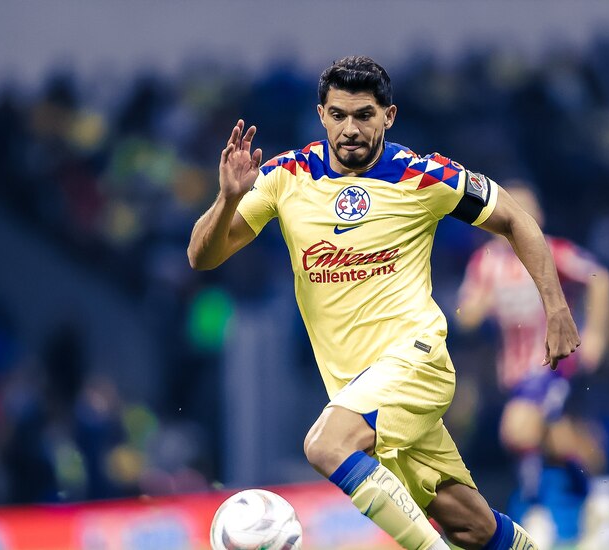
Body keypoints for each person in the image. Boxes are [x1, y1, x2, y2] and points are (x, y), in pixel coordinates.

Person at [188, 56, 580, 550]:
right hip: (359, 394)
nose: (350, 128)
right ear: (321, 114)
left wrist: (557, 308)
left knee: (325, 444)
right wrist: (226, 199)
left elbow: (516, 218)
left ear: (388, 116)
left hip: (416, 362)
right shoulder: (286, 176)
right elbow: (202, 256)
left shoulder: (419, 176)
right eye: (338, 115)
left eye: (364, 116)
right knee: (473, 526)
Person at [456, 181, 609, 547]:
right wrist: (471, 310)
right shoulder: (486, 263)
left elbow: (599, 277)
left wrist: (597, 333)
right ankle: (596, 498)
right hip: (513, 371)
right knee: (557, 441)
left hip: (554, 361)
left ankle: (538, 513)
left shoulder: (551, 251)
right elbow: (466, 314)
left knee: (517, 430)